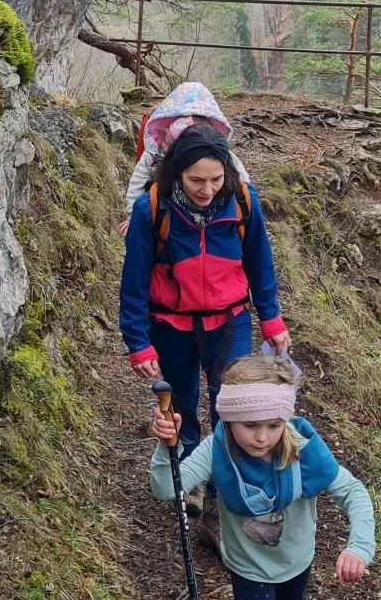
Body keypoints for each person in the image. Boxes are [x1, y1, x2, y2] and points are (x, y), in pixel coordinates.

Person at [149, 354, 375, 600]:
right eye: (250, 425)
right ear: (229, 418)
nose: (262, 436)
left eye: (273, 425)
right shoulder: (217, 450)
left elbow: (353, 493)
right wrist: (168, 447)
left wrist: (358, 546)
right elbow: (169, 488)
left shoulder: (302, 448)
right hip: (248, 567)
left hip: (298, 557)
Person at [119, 123, 289, 542]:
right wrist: (137, 342)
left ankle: (220, 499)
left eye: (215, 179)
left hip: (229, 321)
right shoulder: (151, 209)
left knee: (231, 408)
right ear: (177, 173)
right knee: (181, 406)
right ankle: (192, 474)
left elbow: (260, 264)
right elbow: (134, 280)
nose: (207, 189)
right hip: (171, 324)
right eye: (197, 180)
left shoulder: (243, 202)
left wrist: (271, 320)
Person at [124, 83, 251, 220]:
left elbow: (241, 177)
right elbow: (137, 182)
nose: (168, 151)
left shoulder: (215, 152)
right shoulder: (155, 152)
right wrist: (133, 215)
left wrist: (247, 204)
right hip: (165, 214)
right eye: (167, 144)